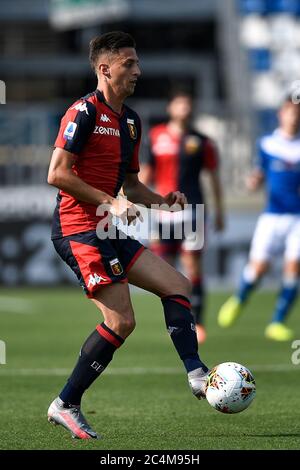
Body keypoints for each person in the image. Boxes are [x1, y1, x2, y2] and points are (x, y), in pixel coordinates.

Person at [47, 31, 209, 440]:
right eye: (129, 63)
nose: (138, 71)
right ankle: (65, 403)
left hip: (105, 226)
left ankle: (196, 373)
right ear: (105, 69)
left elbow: (133, 187)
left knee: (177, 284)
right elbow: (57, 174)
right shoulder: (82, 112)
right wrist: (110, 200)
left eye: (137, 63)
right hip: (78, 229)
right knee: (121, 321)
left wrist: (164, 202)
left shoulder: (131, 122)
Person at [140, 91, 224, 344]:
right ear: (170, 107)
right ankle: (177, 322)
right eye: (180, 103)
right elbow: (145, 173)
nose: (184, 107)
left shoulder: (202, 141)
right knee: (163, 269)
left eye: (188, 103)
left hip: (193, 210)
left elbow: (213, 178)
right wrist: (133, 203)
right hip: (163, 211)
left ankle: (198, 323)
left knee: (192, 265)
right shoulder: (155, 137)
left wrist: (220, 211)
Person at [218, 95, 300, 341]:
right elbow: (259, 174)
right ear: (281, 114)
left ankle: (276, 322)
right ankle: (240, 298)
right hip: (272, 216)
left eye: (297, 112)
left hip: (297, 217)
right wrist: (253, 181)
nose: (294, 116)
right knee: (258, 268)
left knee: (293, 268)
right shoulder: (267, 144)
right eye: (290, 111)